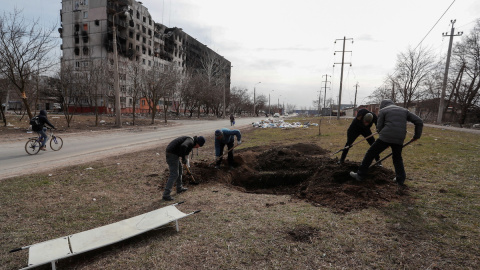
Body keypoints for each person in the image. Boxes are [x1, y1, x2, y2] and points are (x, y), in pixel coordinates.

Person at [350, 99, 423, 186]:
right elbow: (419, 121)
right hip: (399, 138)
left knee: (370, 153)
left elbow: (379, 127)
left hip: (386, 137)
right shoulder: (404, 111)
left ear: (382, 106)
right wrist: (416, 136)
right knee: (397, 158)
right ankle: (400, 180)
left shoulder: (383, 110)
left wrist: (384, 140)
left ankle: (360, 175)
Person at [163, 135, 206, 201]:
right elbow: (183, 146)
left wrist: (187, 165)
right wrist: (183, 158)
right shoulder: (190, 141)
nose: (198, 147)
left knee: (180, 170)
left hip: (174, 154)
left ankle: (179, 188)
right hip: (171, 154)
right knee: (174, 174)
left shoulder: (191, 143)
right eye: (199, 146)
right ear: (198, 143)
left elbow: (186, 156)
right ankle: (166, 195)